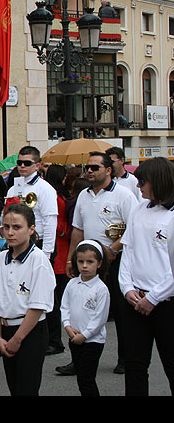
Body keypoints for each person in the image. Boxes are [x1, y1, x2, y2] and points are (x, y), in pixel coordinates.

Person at [67, 151, 136, 375]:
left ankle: (125, 357)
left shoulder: (124, 195)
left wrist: (112, 250)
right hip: (88, 261)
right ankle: (78, 357)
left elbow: (134, 228)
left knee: (120, 310)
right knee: (81, 309)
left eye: (94, 167)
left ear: (108, 170)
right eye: (87, 167)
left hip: (115, 260)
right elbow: (77, 229)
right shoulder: (84, 196)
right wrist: (71, 258)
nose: (89, 170)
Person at [118, 157, 174, 396]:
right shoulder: (139, 209)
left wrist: (153, 297)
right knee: (134, 366)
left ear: (159, 182)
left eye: (143, 181)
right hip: (135, 300)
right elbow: (128, 250)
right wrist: (127, 288)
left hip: (166, 303)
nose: (138, 185)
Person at [0, 203, 56, 396]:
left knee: (27, 389)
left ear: (31, 229)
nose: (10, 232)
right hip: (6, 331)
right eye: (7, 227)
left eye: (17, 227)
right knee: (15, 388)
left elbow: (37, 306)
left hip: (29, 332)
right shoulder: (1, 259)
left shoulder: (38, 260)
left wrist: (17, 339)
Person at [60, 239, 110, 396]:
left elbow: (99, 318)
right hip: (74, 338)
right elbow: (65, 306)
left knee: (86, 378)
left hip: (92, 341)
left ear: (99, 264)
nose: (85, 266)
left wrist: (85, 335)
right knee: (81, 378)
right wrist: (67, 326)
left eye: (90, 261)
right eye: (81, 261)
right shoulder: (72, 284)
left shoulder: (101, 289)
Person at [6, 146, 58, 260]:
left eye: (27, 163)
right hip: (15, 243)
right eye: (19, 163)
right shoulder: (12, 189)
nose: (22, 166)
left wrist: (46, 253)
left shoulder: (45, 189)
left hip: (37, 243)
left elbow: (50, 221)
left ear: (37, 165)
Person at [44, 164, 72, 356]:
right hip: (59, 248)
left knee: (54, 299)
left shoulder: (55, 194)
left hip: (61, 247)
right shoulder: (54, 194)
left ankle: (54, 339)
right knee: (53, 299)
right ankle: (53, 339)